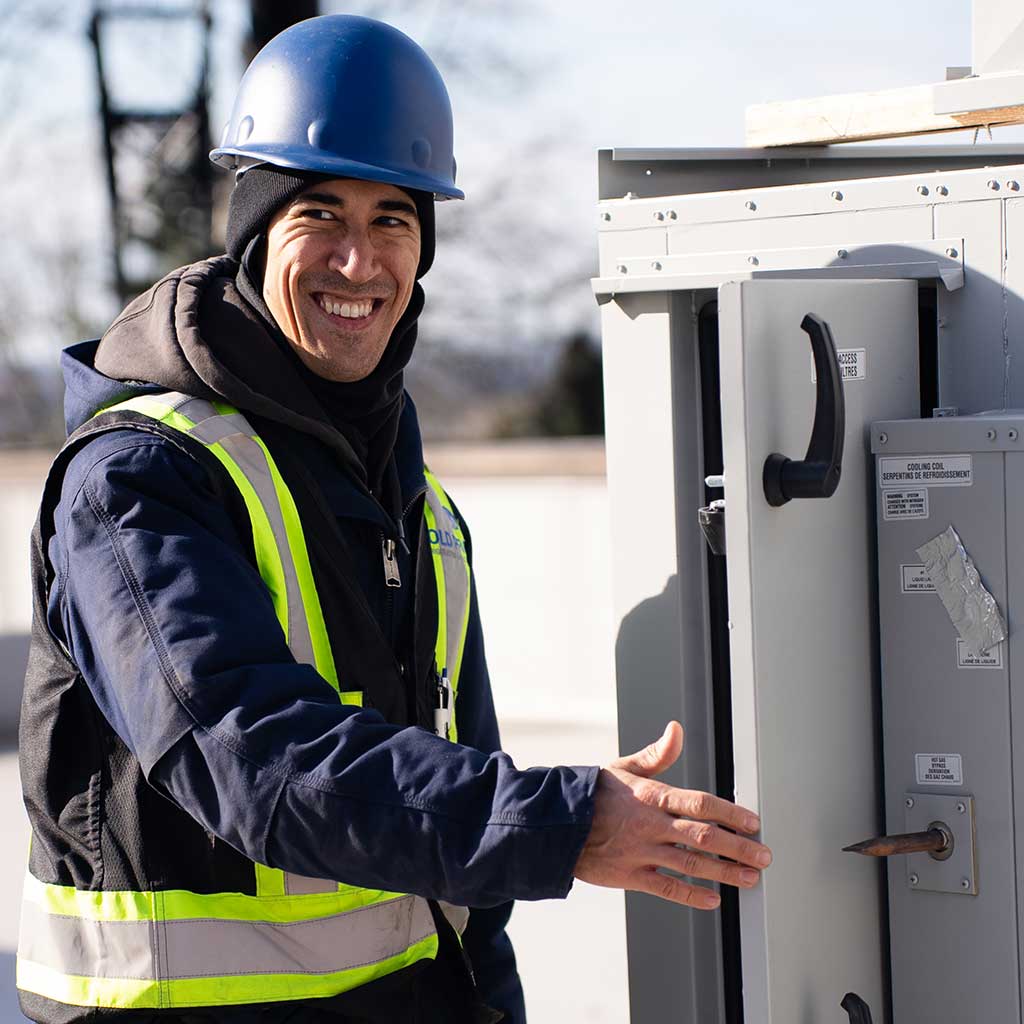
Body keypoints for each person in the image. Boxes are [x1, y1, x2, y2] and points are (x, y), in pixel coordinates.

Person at [16, 14, 771, 1024]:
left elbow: (456, 893)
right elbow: (248, 754)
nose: (357, 262)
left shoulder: (417, 504)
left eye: (392, 221)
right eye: (317, 216)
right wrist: (561, 821)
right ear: (251, 235)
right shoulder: (142, 476)